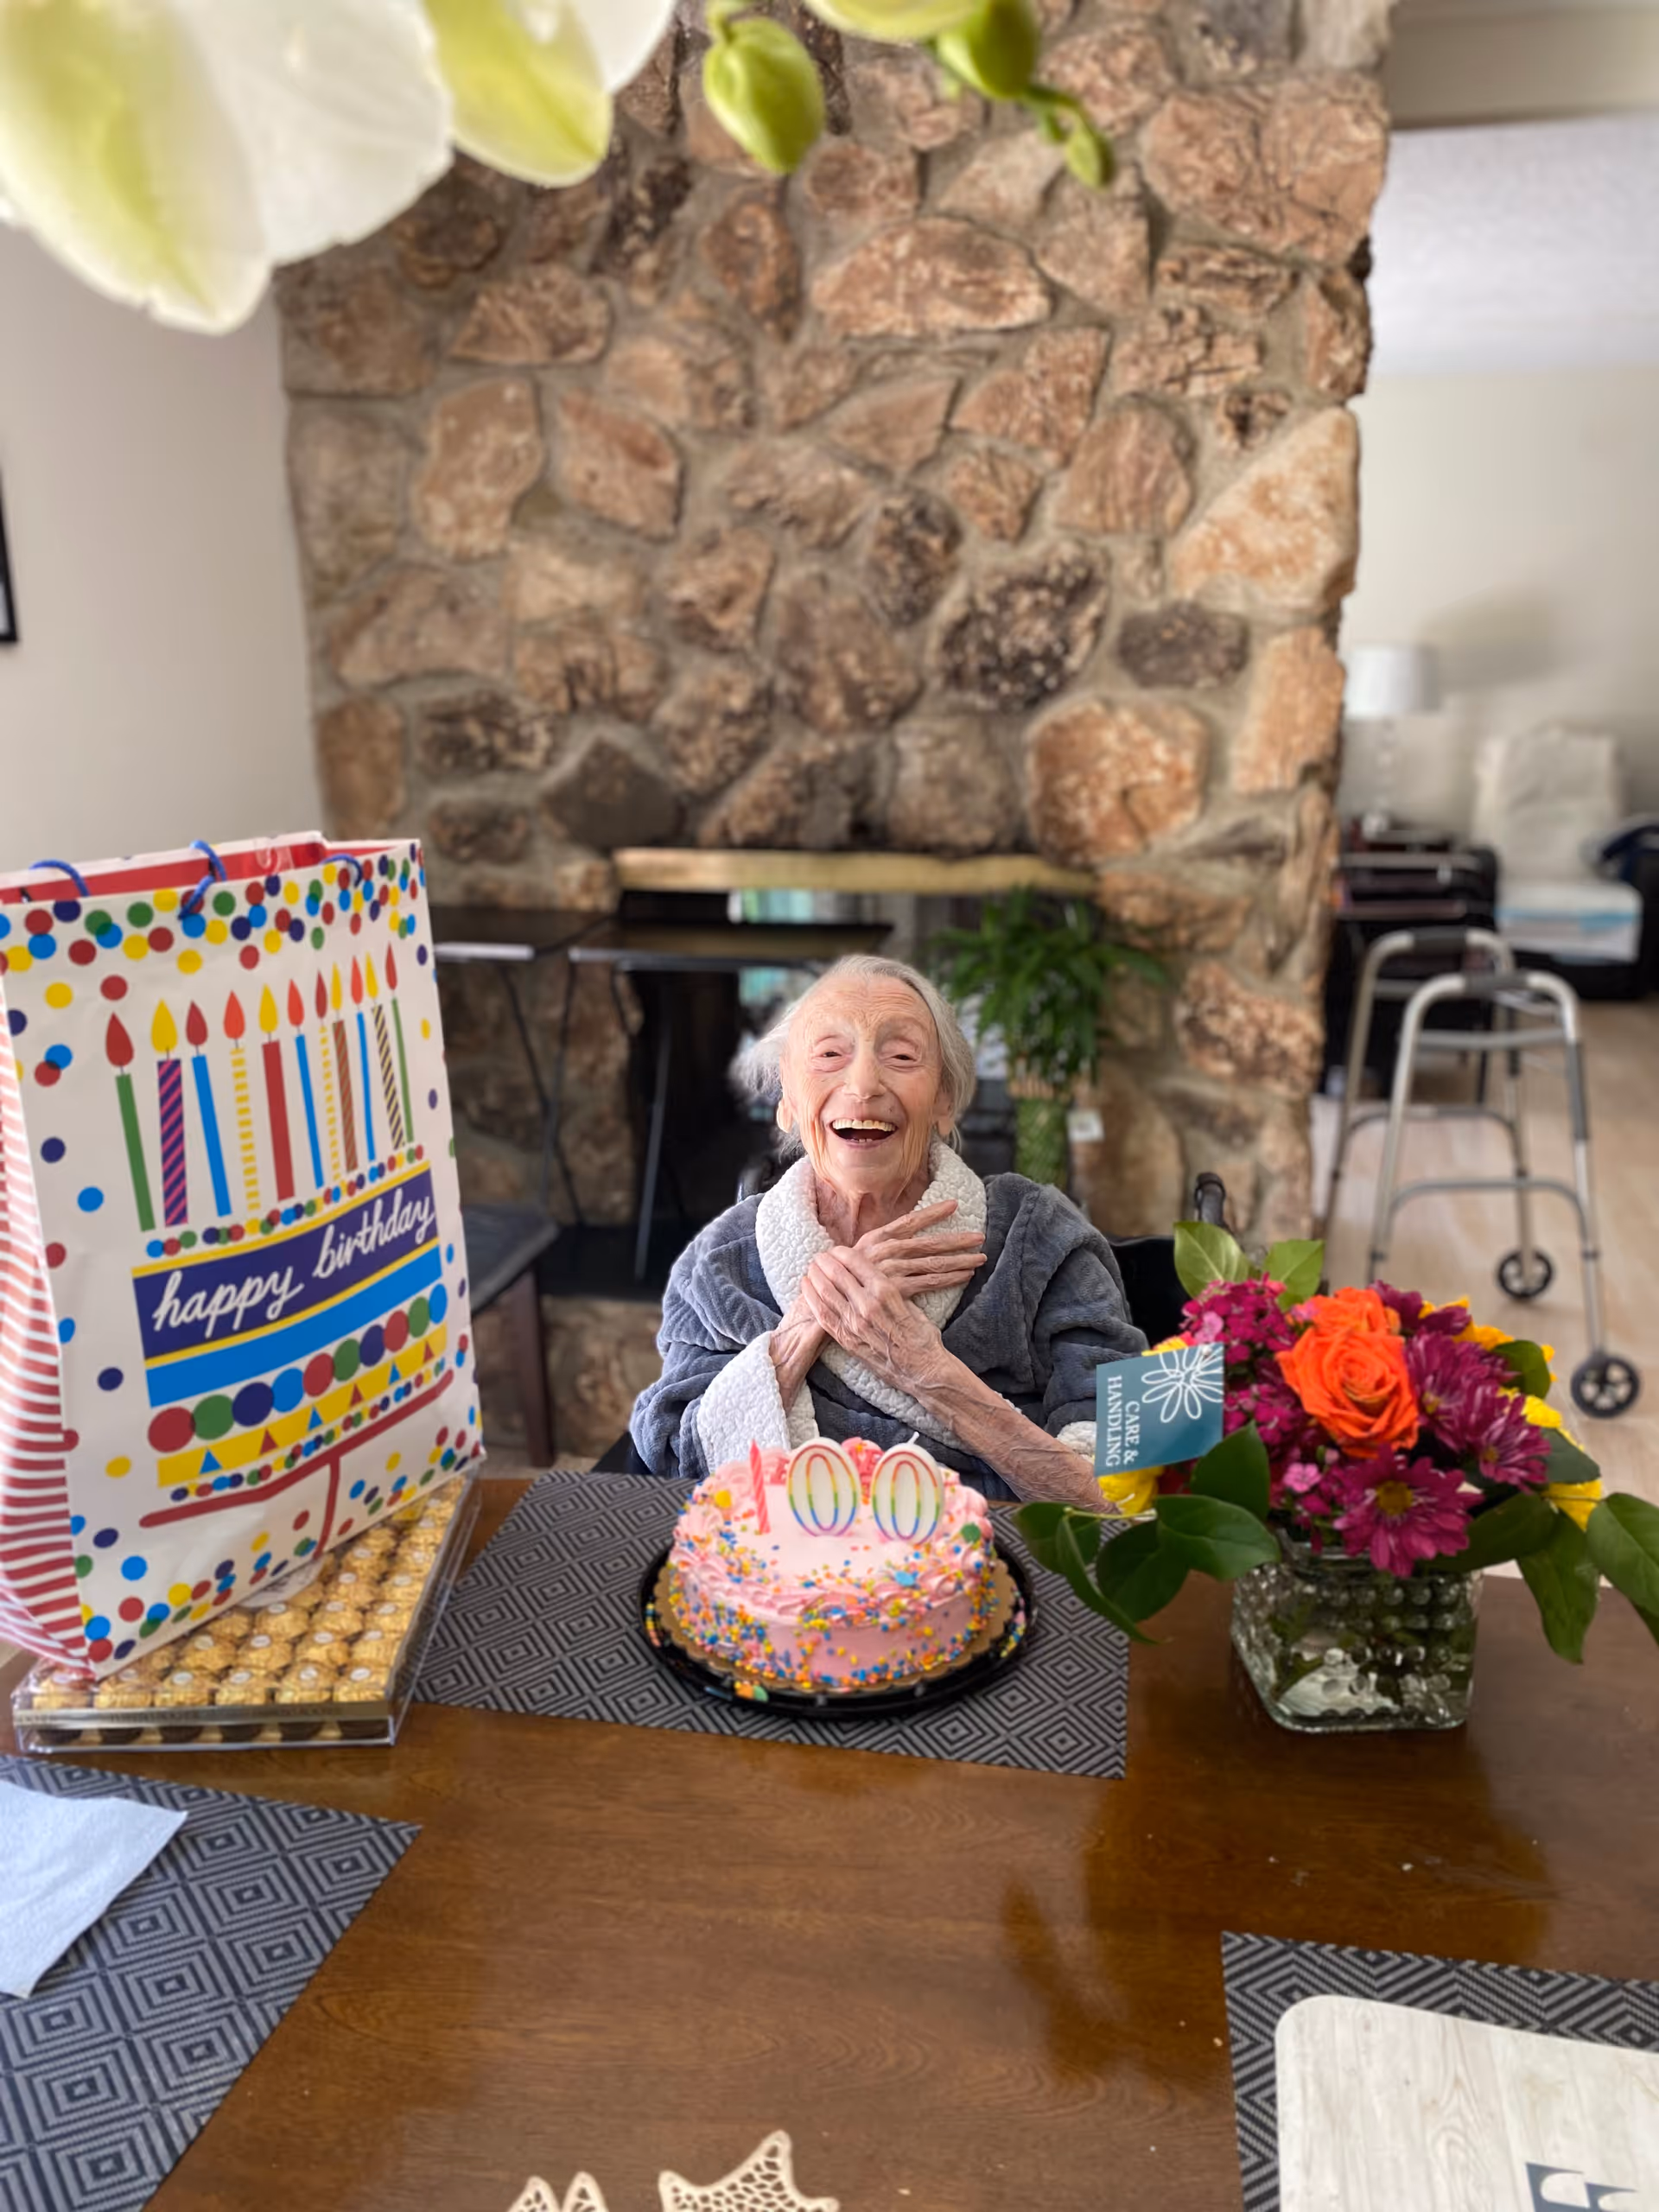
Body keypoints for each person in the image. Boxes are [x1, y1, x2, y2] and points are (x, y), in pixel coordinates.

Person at [629, 955, 1144, 1503]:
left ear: (945, 1101)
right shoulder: (720, 1262)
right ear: (787, 1100)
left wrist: (927, 1371)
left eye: (901, 1056)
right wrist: (807, 1324)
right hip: (791, 1566)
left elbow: (1130, 1476)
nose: (865, 1083)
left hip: (995, 1562)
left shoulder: (1039, 1234)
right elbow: (675, 1459)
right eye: (830, 1054)